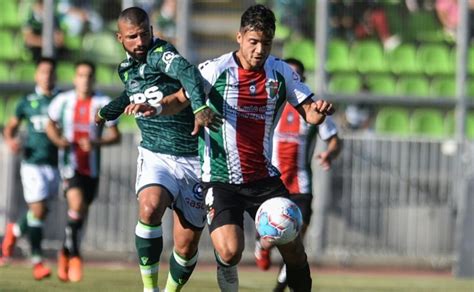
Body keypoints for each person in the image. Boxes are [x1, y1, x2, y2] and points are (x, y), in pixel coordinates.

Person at [196, 4, 334, 291]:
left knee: (293, 249)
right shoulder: (215, 69)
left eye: (266, 43)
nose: (260, 50)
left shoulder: (280, 71)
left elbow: (310, 112)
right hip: (221, 180)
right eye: (253, 42)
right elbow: (183, 97)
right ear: (239, 38)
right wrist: (167, 107)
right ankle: (227, 268)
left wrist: (318, 112)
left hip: (263, 180)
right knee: (230, 251)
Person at [94, 7, 221, 292]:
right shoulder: (125, 69)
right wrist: (106, 112)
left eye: (145, 33)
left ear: (152, 30)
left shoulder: (161, 54)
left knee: (186, 247)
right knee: (150, 208)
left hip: (193, 158)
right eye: (132, 36)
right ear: (119, 38)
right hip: (155, 154)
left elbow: (187, 71)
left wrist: (199, 107)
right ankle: (149, 289)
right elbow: (133, 93)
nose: (140, 41)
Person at [253, 58, 342, 291]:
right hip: (272, 183)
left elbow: (334, 139)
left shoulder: (313, 110)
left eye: (297, 76)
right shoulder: (270, 104)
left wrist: (330, 154)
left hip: (301, 186)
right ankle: (262, 246)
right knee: (270, 238)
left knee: (296, 241)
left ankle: (279, 289)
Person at [45, 60, 121, 282]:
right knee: (76, 206)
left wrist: (96, 143)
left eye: (89, 76)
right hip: (70, 165)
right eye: (81, 75)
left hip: (92, 167)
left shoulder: (102, 102)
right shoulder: (63, 101)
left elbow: (115, 135)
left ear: (94, 79)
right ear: (74, 78)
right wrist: (58, 140)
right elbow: (50, 123)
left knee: (80, 215)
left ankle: (65, 252)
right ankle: (76, 257)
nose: (85, 79)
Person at [0, 57, 60, 280]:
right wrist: (11, 140)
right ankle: (37, 261)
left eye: (51, 72)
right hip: (32, 162)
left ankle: (13, 232)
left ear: (55, 76)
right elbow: (11, 127)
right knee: (37, 210)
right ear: (37, 75)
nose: (47, 76)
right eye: (43, 72)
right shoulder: (27, 102)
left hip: (55, 164)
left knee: (41, 211)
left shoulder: (61, 100)